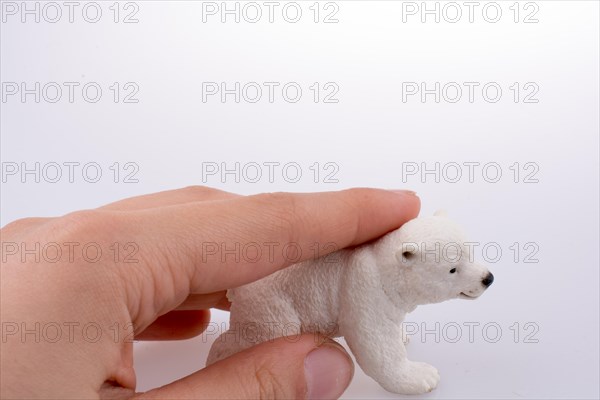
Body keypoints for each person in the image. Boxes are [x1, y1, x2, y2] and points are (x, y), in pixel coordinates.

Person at [1, 186, 419, 399]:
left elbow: (386, 322)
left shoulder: (386, 274)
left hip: (272, 286)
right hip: (275, 298)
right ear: (406, 255)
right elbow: (371, 340)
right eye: (454, 270)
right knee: (270, 336)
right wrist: (397, 372)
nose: (478, 278)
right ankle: (232, 352)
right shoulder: (372, 275)